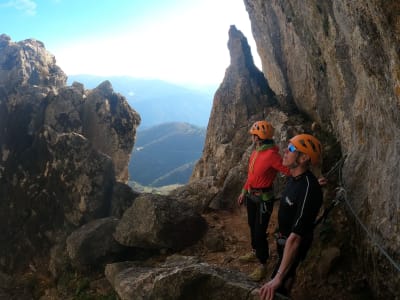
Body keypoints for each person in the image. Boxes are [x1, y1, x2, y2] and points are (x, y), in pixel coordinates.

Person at [259, 134, 323, 300]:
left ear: (303, 158)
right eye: (288, 146)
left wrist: (277, 279)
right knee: (286, 281)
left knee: (274, 291)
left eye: (292, 149)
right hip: (285, 242)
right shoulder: (295, 178)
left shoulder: (309, 189)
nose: (285, 151)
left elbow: (296, 238)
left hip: (293, 245)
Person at [237, 120, 291, 282]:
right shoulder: (256, 153)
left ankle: (262, 263)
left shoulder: (271, 155)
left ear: (259, 137)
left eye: (253, 136)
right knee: (252, 226)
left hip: (263, 200)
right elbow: (251, 176)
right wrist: (243, 191)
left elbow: (288, 169)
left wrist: (312, 179)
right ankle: (255, 251)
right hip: (251, 197)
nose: (252, 138)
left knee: (260, 232)